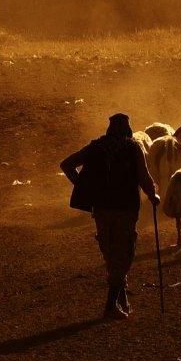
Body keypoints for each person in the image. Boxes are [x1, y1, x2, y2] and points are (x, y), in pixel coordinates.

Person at [60, 113, 159, 320]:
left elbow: (66, 165)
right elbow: (144, 177)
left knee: (109, 249)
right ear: (127, 129)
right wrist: (153, 195)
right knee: (124, 251)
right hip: (126, 208)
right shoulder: (132, 148)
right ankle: (110, 306)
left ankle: (122, 299)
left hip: (102, 209)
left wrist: (83, 187)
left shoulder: (96, 147)